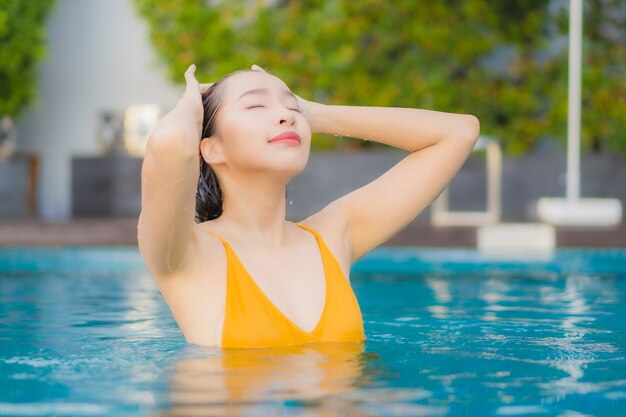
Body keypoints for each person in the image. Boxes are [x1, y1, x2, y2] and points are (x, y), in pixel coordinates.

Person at [138, 64, 479, 348]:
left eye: (291, 106)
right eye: (256, 106)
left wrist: (315, 113)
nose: (286, 115)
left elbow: (459, 132)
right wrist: (190, 104)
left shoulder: (332, 235)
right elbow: (169, 143)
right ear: (211, 148)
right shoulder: (186, 253)